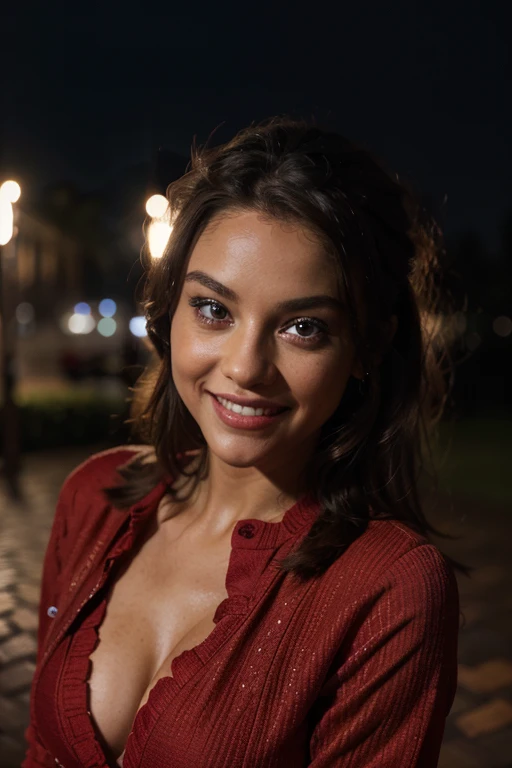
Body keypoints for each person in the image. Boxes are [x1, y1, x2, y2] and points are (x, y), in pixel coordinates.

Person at [23, 117, 468, 768]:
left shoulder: (389, 591)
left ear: (367, 346)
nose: (245, 366)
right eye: (214, 309)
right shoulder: (93, 498)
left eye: (303, 326)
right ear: (169, 308)